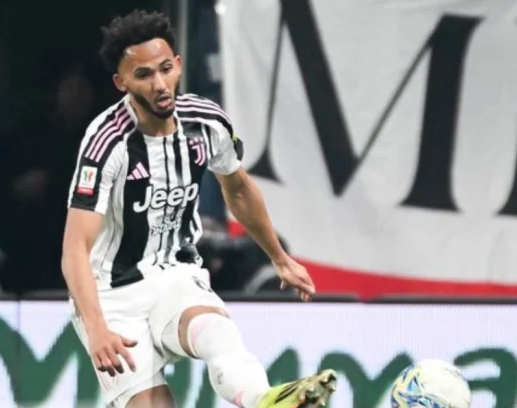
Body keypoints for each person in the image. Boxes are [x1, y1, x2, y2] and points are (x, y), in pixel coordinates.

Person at [61, 10, 337, 408]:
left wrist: (279, 257)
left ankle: (265, 401)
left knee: (217, 333)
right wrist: (96, 328)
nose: (160, 84)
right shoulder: (106, 143)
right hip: (111, 294)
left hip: (175, 273)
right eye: (143, 75)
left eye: (165, 69)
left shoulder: (206, 121)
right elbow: (75, 248)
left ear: (178, 64)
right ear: (122, 83)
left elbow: (238, 189)